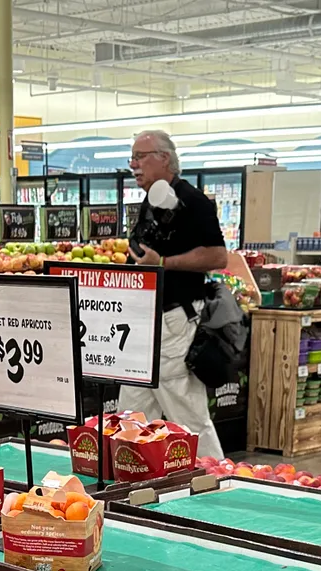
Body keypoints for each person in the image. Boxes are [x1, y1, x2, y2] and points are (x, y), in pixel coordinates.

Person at [122, 130, 227, 458]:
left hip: (174, 321)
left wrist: (163, 263)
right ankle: (129, 477)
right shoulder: (152, 200)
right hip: (144, 325)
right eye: (132, 158)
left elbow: (218, 256)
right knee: (131, 415)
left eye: (140, 157)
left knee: (187, 415)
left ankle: (214, 479)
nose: (134, 165)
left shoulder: (193, 201)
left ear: (164, 158)